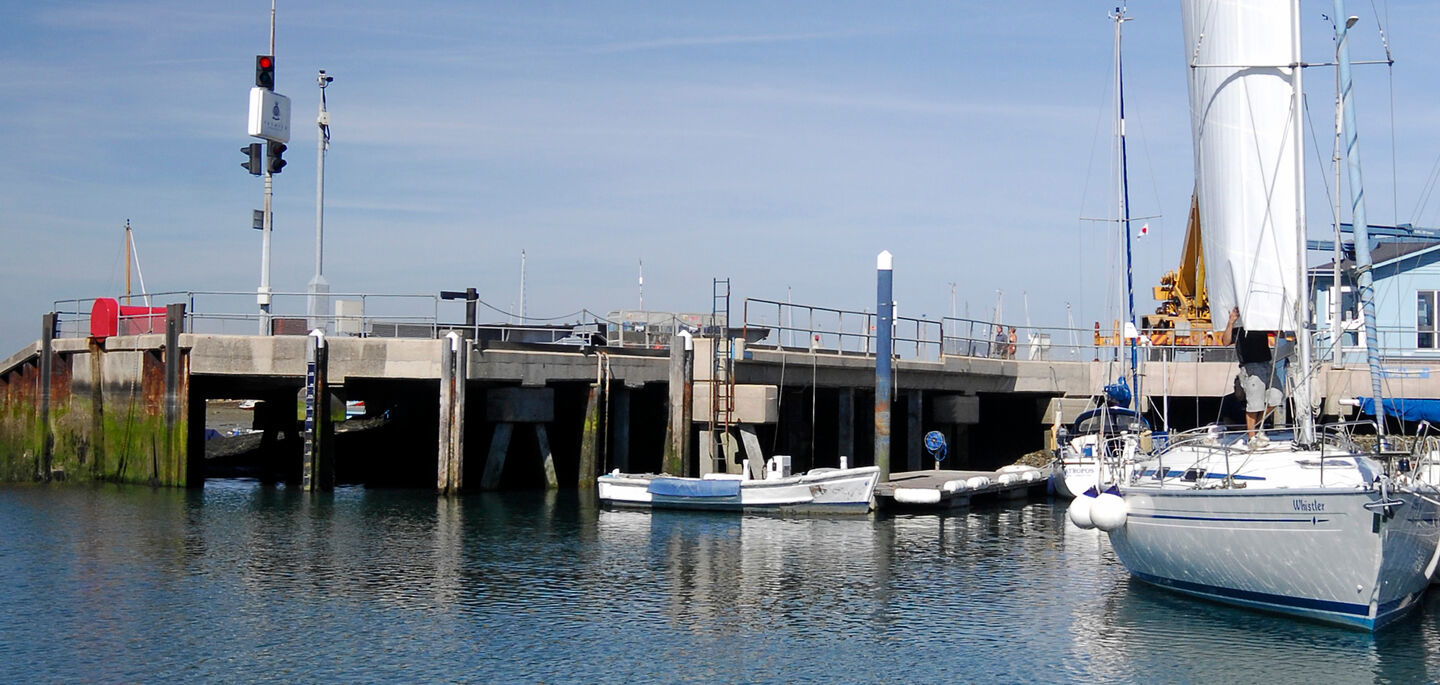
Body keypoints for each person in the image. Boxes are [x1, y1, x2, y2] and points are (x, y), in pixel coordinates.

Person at [1220, 306, 1282, 445]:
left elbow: (1280, 333)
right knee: (1254, 404)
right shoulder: (1239, 326)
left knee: (1276, 397)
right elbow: (1225, 341)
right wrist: (1231, 322)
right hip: (1251, 366)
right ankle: (1252, 437)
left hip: (1266, 363)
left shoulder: (1261, 323)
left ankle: (1257, 428)